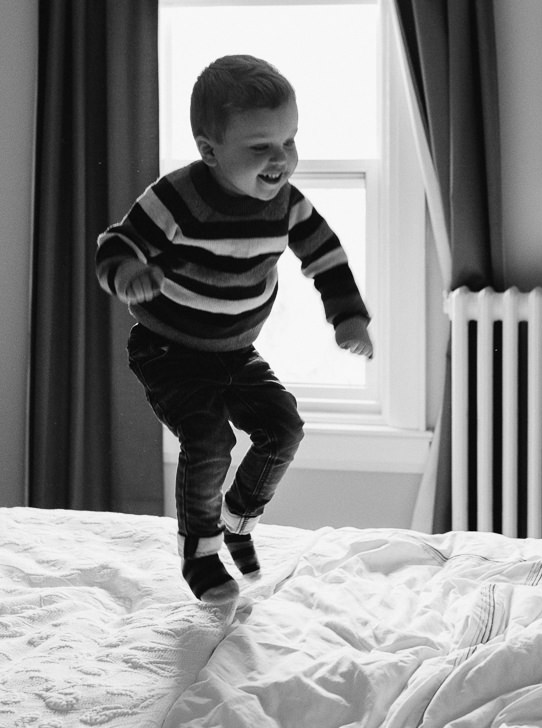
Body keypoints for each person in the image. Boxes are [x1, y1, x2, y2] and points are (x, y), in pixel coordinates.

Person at [95, 54, 374, 608]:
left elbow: (326, 257)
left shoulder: (288, 206)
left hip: (234, 351)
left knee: (283, 427)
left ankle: (238, 521)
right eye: (260, 147)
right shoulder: (178, 195)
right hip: (168, 350)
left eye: (290, 142)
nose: (281, 160)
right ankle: (200, 552)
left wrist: (348, 316)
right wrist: (129, 273)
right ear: (209, 150)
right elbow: (117, 243)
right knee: (209, 439)